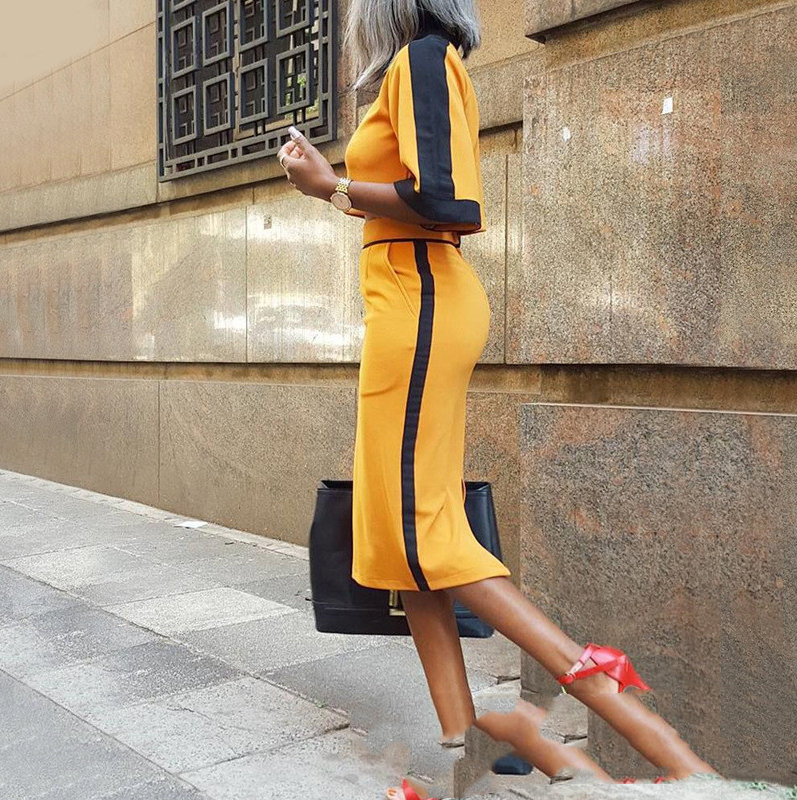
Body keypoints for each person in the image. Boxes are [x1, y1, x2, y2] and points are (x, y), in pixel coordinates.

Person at [277, 0, 719, 794]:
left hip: (421, 300)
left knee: (424, 531)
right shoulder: (409, 72)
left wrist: (332, 187)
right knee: (400, 541)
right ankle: (468, 745)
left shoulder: (424, 60)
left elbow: (450, 203)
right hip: (404, 303)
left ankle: (635, 725)